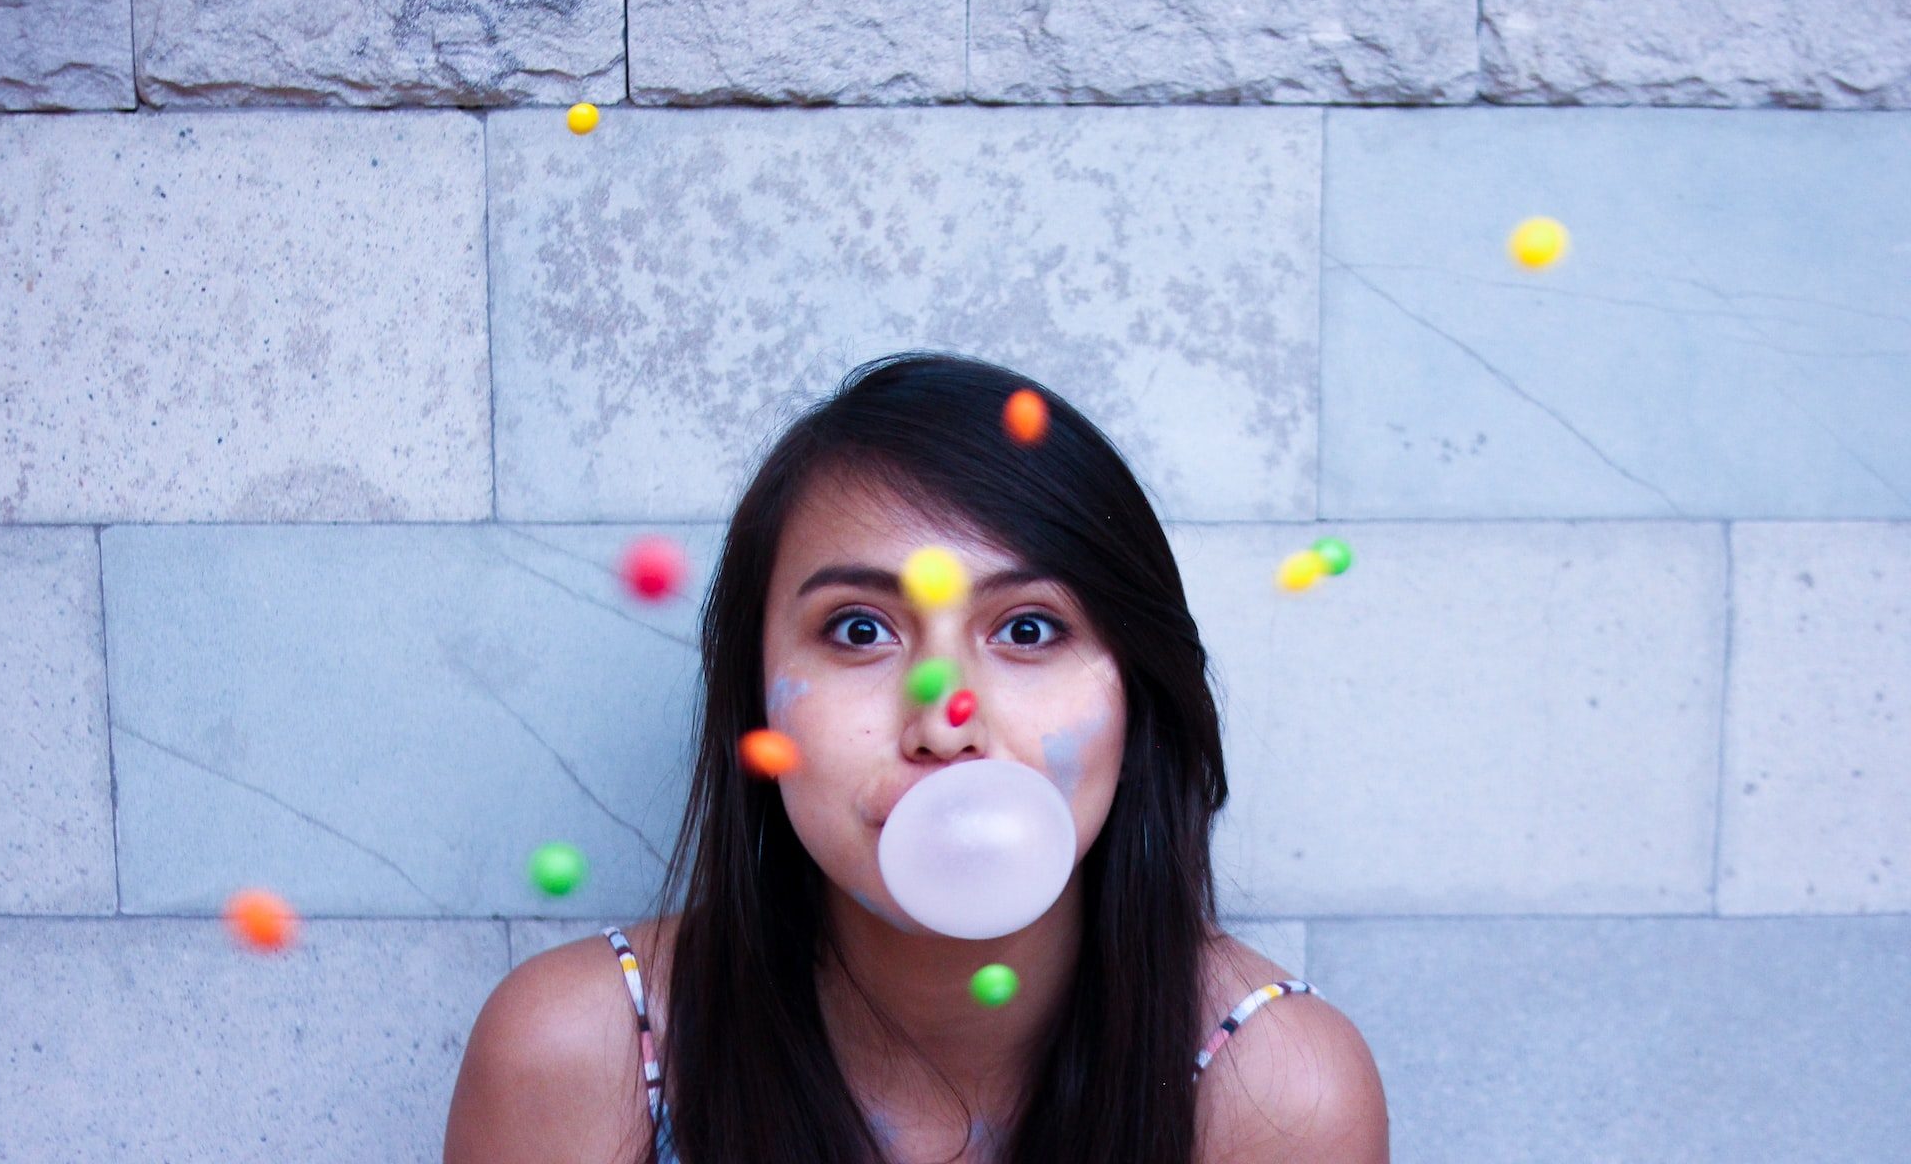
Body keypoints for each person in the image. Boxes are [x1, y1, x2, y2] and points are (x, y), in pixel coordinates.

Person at [444, 352, 1388, 1164]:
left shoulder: (1278, 1089)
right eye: (859, 630)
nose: (944, 722)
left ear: (1139, 694)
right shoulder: (580, 1052)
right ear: (755, 704)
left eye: (1027, 628)